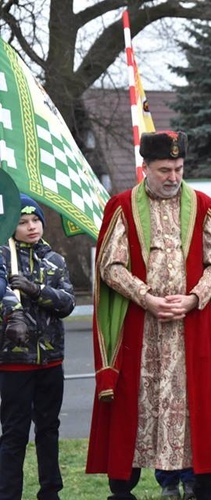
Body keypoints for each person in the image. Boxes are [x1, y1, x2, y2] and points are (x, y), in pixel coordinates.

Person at [85, 130, 211, 500]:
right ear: (145, 167)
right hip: (141, 329)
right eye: (164, 169)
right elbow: (109, 265)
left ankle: (202, 486)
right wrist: (146, 297)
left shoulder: (204, 207)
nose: (173, 177)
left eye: (179, 168)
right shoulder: (121, 207)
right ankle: (122, 488)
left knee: (196, 407)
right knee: (134, 408)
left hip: (191, 328)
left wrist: (195, 298)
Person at [0, 195, 75, 499]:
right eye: (22, 222)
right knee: (14, 434)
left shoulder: (55, 260)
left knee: (48, 430)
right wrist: (11, 309)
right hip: (15, 362)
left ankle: (50, 492)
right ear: (9, 225)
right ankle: (8, 493)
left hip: (51, 361)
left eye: (36, 220)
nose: (31, 227)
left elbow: (67, 302)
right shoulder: (3, 258)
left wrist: (36, 289)